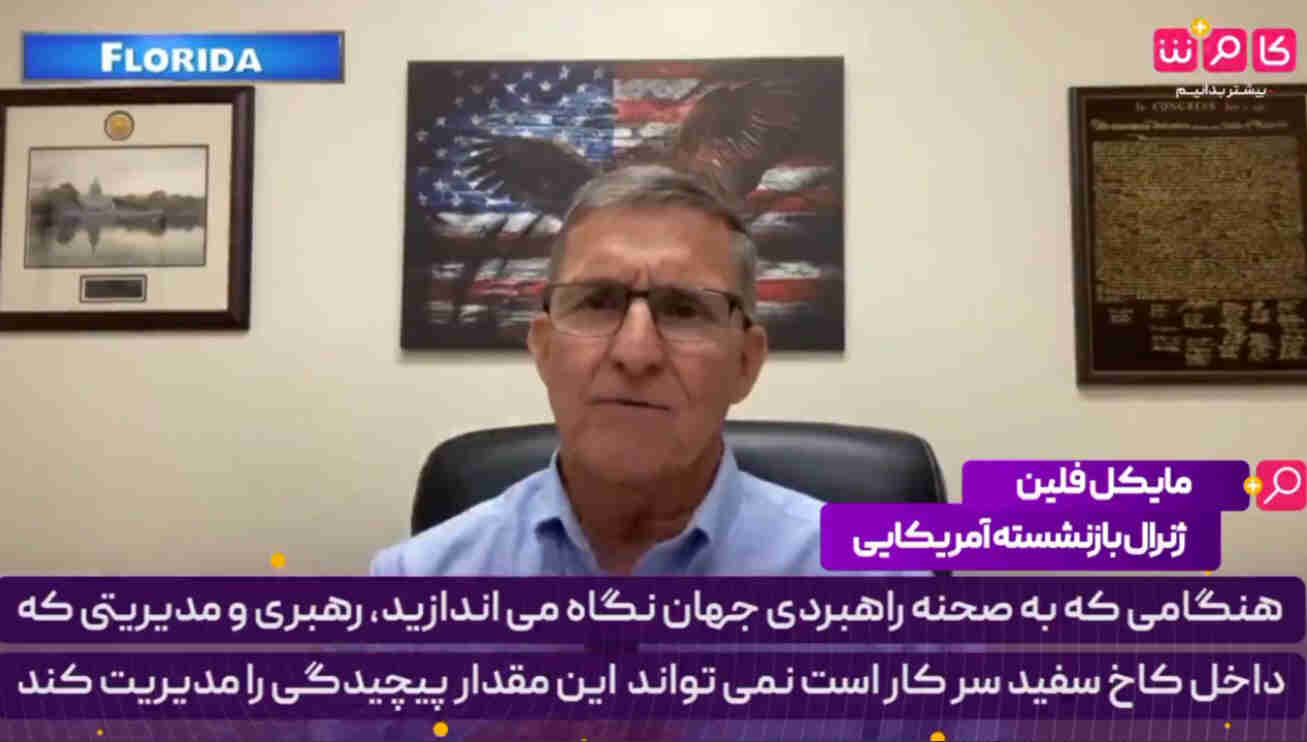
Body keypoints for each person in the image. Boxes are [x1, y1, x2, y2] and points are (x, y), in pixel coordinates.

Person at [372, 164, 845, 577]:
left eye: (684, 309)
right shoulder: (414, 578)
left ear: (745, 362)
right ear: (544, 348)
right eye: (597, 302)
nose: (636, 354)